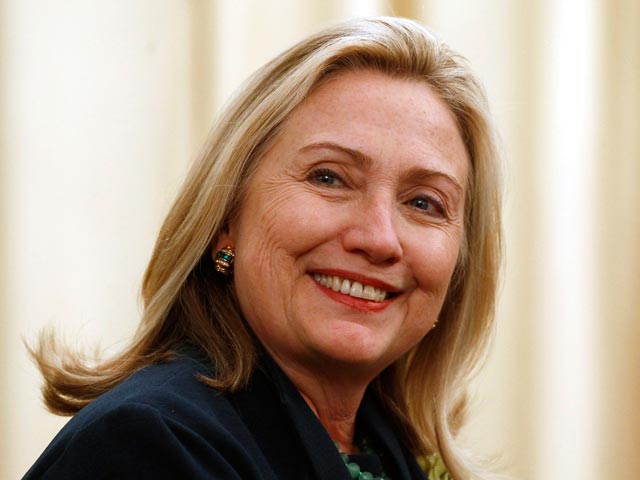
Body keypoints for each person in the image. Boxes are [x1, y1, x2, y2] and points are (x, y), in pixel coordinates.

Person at [25, 16, 501, 480]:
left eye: (424, 202)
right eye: (328, 177)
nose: (379, 239)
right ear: (226, 217)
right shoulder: (146, 447)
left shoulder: (388, 453)